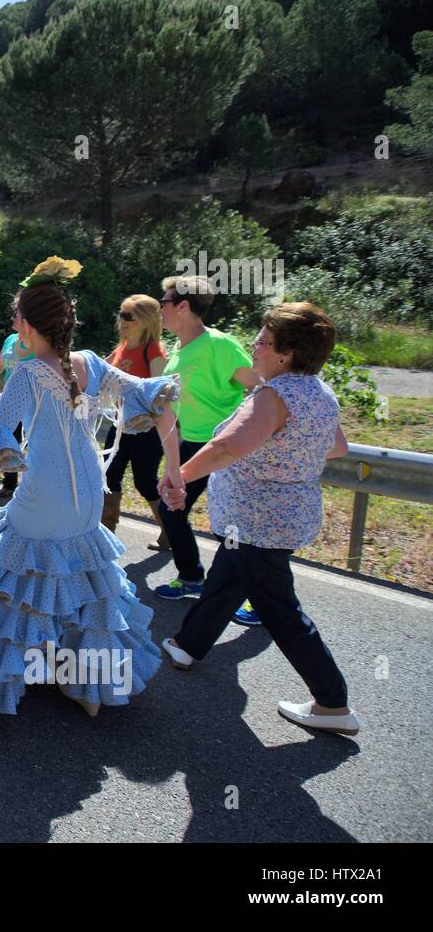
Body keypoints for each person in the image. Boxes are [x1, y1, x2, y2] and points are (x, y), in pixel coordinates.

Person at [0, 258, 182, 717]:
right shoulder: (92, 362)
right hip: (90, 495)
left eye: (17, 317)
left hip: (43, 495)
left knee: (13, 577)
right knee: (81, 576)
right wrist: (172, 470)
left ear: (28, 326)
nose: (14, 325)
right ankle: (87, 686)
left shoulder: (28, 375)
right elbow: (160, 396)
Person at [159, 303, 360, 736]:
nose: (255, 345)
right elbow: (336, 446)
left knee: (280, 610)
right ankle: (187, 646)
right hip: (275, 518)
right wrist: (287, 452)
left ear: (286, 353)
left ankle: (332, 703)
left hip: (259, 522)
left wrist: (179, 477)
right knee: (228, 577)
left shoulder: (274, 396)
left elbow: (228, 447)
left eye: (264, 340)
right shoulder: (318, 393)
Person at [153, 276, 258, 605]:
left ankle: (259, 594)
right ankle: (192, 578)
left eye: (164, 303)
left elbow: (261, 387)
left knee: (236, 523)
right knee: (173, 509)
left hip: (224, 446)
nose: (160, 310)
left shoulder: (220, 345)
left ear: (183, 306)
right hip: (191, 443)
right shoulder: (178, 350)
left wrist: (246, 431)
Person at [101, 294, 169, 550]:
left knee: (144, 481)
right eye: (121, 314)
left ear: (145, 320)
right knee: (108, 475)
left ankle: (169, 530)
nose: (122, 320)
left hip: (146, 428)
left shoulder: (152, 350)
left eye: (128, 316)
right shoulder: (122, 346)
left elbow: (160, 391)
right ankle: (105, 533)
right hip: (120, 425)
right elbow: (98, 368)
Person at [0, 304, 36, 497]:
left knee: (33, 443)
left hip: (32, 403)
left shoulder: (37, 343)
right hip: (9, 401)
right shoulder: (11, 339)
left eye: (17, 315)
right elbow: (0, 364)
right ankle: (9, 484)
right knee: (10, 441)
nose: (13, 317)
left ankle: (32, 486)